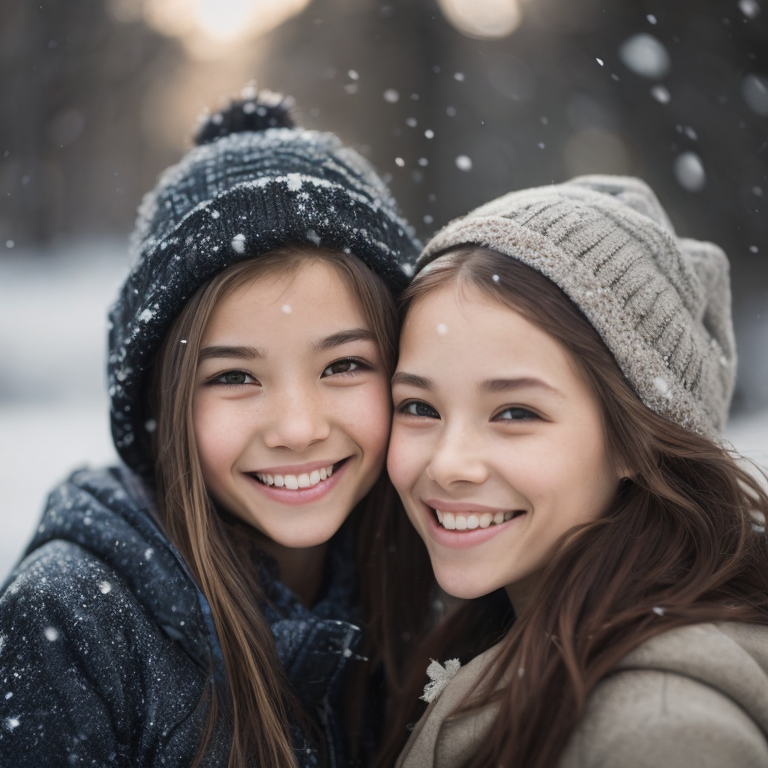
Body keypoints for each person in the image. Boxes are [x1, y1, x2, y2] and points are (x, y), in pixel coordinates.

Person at [0, 88, 422, 768]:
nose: (297, 427)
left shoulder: (440, 582)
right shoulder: (72, 621)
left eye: (344, 364)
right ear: (162, 405)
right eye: (234, 377)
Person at [384, 176, 768, 768]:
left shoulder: (659, 727)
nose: (449, 463)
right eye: (418, 407)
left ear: (635, 440)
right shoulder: (497, 627)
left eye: (515, 412)